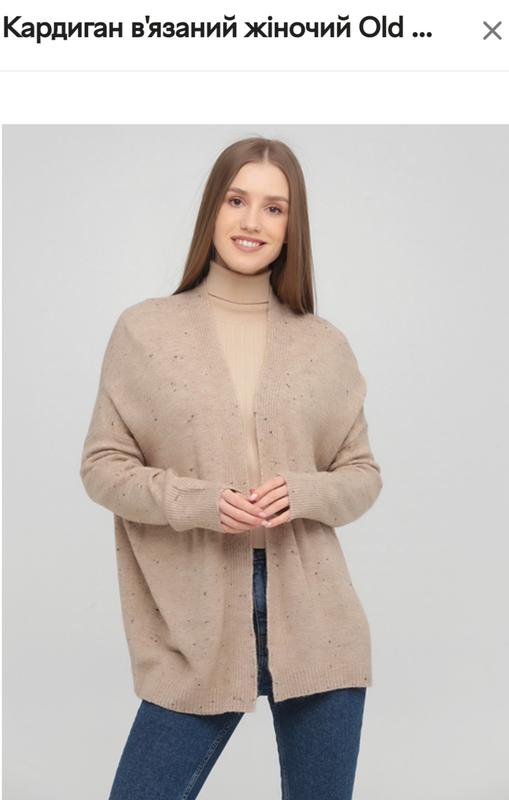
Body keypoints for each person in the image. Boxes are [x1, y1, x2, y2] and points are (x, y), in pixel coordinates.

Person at [80, 136, 383, 799]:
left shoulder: (323, 344)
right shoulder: (145, 331)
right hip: (194, 627)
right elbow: (102, 465)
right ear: (211, 209)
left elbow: (361, 474)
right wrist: (194, 500)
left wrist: (302, 492)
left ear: (291, 227)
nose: (252, 222)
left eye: (274, 208)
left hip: (320, 624)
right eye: (236, 200)